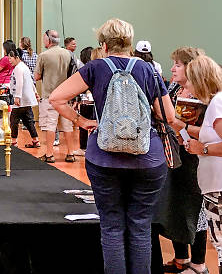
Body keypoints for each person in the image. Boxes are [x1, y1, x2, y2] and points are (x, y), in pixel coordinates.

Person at [49, 18, 176, 274]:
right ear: (130, 44)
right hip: (147, 157)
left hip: (104, 155)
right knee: (140, 226)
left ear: (104, 45)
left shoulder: (95, 68)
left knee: (111, 225)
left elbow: (56, 97)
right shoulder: (149, 70)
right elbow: (169, 116)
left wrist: (82, 121)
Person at [154, 47, 208, 274]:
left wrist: (180, 126)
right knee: (173, 204)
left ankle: (199, 264)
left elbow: (209, 133)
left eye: (178, 64)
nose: (173, 68)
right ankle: (181, 258)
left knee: (196, 210)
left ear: (192, 67)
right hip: (173, 155)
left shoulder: (205, 95)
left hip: (196, 160)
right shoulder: (174, 89)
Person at [183, 55, 222, 274]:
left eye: (190, 80)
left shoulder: (217, 103)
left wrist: (203, 149)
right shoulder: (216, 102)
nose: (187, 86)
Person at [34, 29, 75, 163]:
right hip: (65, 97)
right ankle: (70, 153)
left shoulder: (44, 55)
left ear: (48, 40)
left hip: (50, 96)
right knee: (67, 126)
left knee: (50, 126)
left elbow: (37, 76)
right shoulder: (68, 54)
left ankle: (49, 154)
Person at [10, 48, 39, 148]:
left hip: (20, 99)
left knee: (14, 120)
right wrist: (35, 93)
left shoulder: (18, 68)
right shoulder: (24, 67)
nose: (9, 60)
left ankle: (13, 141)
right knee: (28, 120)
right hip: (27, 98)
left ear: (17, 57)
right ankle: (35, 140)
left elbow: (19, 83)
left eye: (11, 58)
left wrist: (17, 97)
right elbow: (31, 82)